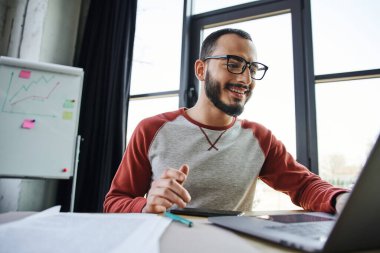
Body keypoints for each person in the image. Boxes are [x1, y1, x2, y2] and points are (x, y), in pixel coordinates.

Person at [103, 28, 349, 214]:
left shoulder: (260, 138)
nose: (245, 78)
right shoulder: (152, 129)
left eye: (252, 69)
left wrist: (339, 198)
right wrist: (146, 206)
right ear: (201, 70)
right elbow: (114, 202)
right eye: (233, 64)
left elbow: (305, 186)